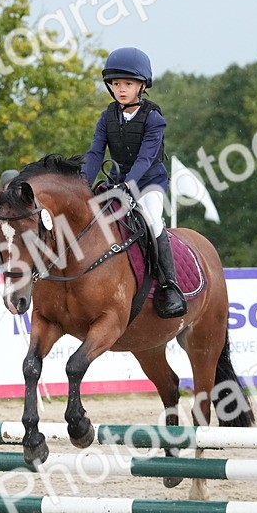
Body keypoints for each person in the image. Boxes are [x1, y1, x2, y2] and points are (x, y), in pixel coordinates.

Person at [79, 47, 185, 318]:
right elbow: (94, 153)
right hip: (116, 181)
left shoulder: (153, 118)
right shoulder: (106, 117)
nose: (121, 89)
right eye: (116, 84)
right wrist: (82, 183)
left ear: (142, 85)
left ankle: (169, 285)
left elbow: (145, 158)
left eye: (128, 83)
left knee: (151, 220)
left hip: (148, 182)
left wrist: (129, 184)